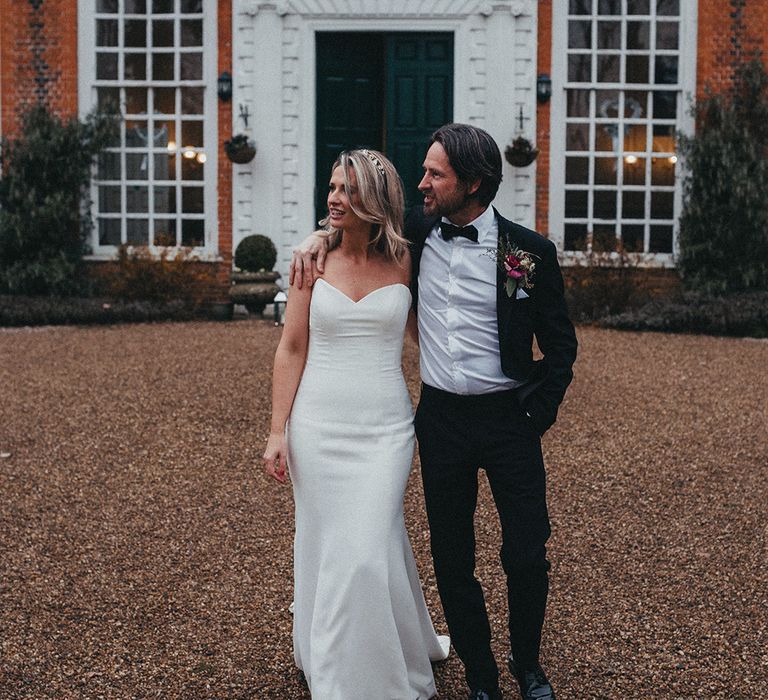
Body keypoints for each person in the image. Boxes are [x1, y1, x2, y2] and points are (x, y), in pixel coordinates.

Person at [291, 124, 578, 700]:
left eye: (435, 174)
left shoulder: (529, 253)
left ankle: (528, 666)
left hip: (509, 420)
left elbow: (562, 345)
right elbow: (357, 236)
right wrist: (316, 239)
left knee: (526, 548)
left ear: (472, 184)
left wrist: (535, 414)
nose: (421, 182)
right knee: (451, 555)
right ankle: (480, 677)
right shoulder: (414, 238)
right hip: (441, 421)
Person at [263, 148, 450, 699]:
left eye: (346, 189)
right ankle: (337, 667)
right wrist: (278, 430)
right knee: (332, 544)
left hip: (387, 429)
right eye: (331, 188)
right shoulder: (311, 261)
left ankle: (374, 663)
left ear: (375, 197)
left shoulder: (409, 260)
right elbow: (290, 347)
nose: (334, 198)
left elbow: (431, 337)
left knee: (369, 547)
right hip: (318, 426)